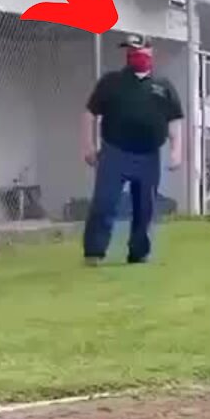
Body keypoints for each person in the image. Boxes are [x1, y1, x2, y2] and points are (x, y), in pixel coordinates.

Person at [80, 35, 183, 265]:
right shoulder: (111, 82)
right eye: (129, 51)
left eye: (137, 50)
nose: (132, 55)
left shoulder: (163, 86)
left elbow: (174, 120)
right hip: (115, 152)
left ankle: (139, 252)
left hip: (148, 155)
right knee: (104, 202)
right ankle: (94, 251)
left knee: (145, 206)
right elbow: (90, 113)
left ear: (149, 52)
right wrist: (88, 145)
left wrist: (177, 151)